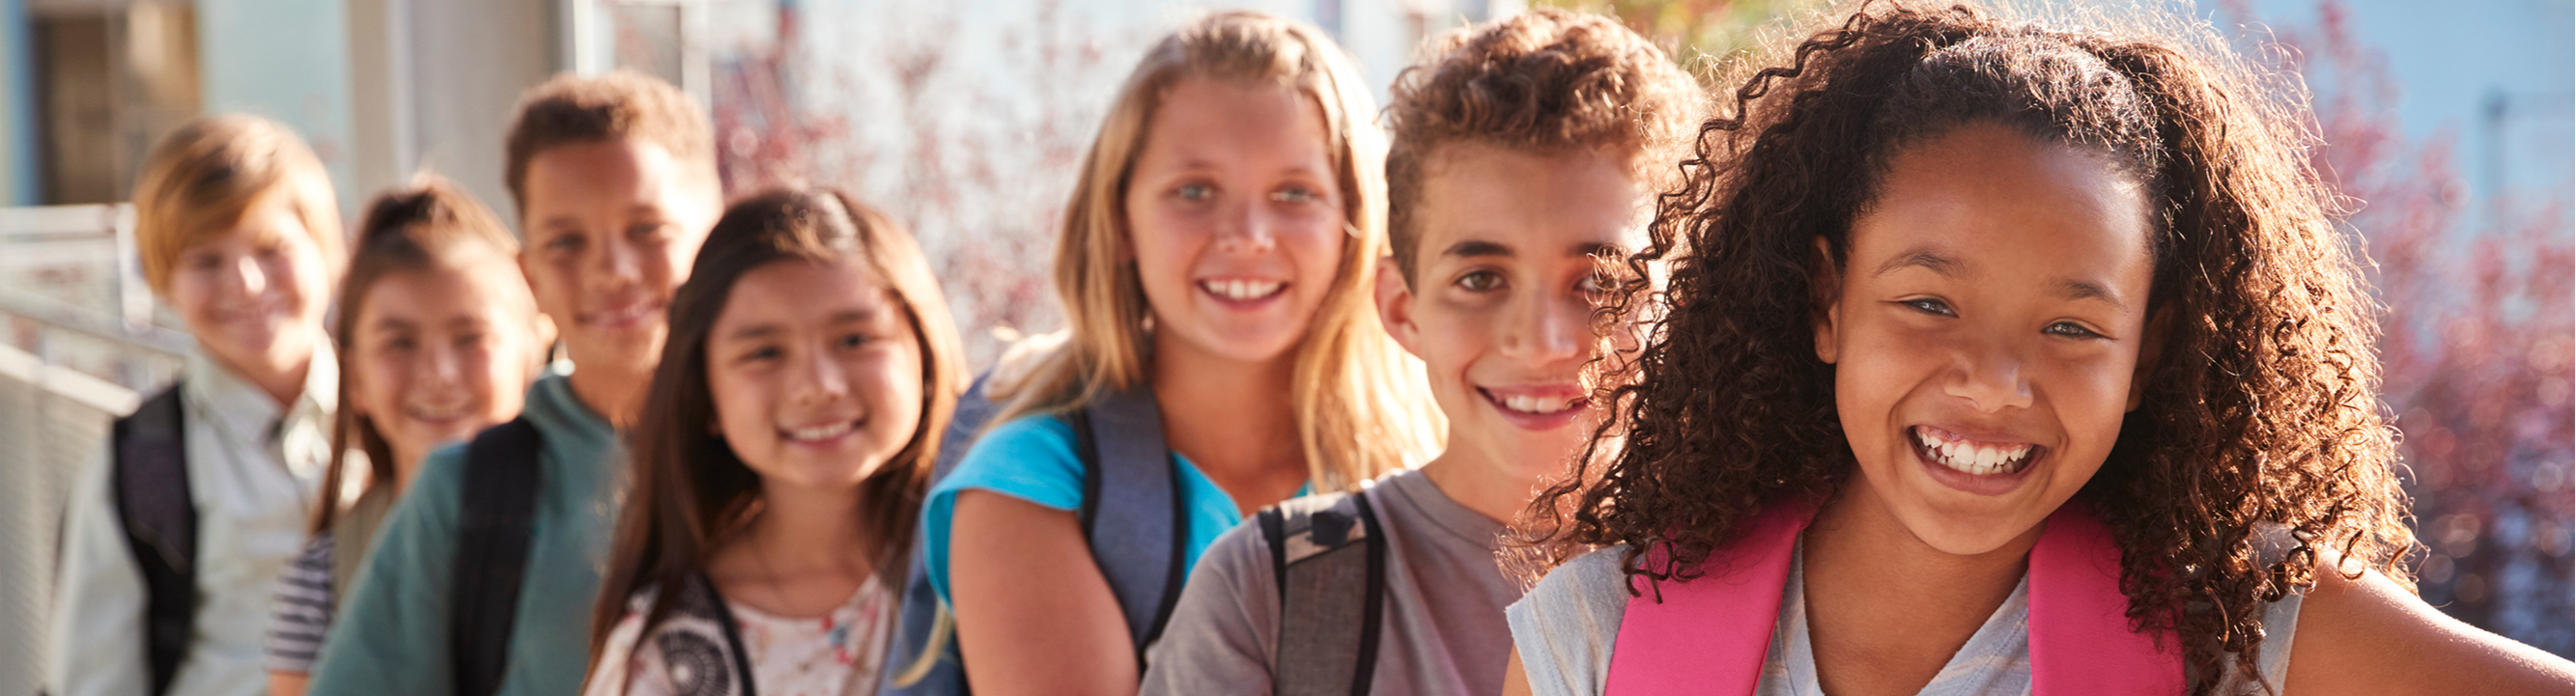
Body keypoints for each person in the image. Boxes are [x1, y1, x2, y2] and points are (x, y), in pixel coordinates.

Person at [1500, 2, 2576, 695]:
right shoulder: (1596, 642)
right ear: (1827, 299)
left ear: (2148, 355)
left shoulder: (2248, 633)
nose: (1994, 382)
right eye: (1928, 302)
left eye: (2071, 327)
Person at [1139, 10, 1703, 696]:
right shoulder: (1272, 593)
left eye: (1598, 282)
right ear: (1401, 307)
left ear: (1683, 295)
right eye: (1479, 280)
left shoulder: (1766, 578)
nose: (1542, 340)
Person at [882, 11, 1441, 696]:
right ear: (1119, 221)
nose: (1247, 234)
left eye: (1294, 193)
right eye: (1193, 191)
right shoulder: (1028, 483)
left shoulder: (1418, 457)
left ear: (1355, 227)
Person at [304, 71, 724, 696]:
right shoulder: (468, 492)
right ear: (528, 278)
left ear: (716, 240)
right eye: (566, 241)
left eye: (646, 229)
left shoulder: (795, 451)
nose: (611, 268)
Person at [579, 187, 969, 696]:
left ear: (924, 350)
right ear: (706, 395)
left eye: (855, 339)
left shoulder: (984, 557)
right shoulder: (665, 653)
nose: (818, 386)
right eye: (765, 353)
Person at [45, 114, 346, 696]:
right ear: (163, 281)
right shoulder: (142, 461)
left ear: (327, 249)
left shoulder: (400, 412)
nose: (248, 284)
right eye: (206, 261)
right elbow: (94, 678)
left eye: (272, 248)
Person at [263, 175, 551, 696]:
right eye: (400, 342)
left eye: (471, 338)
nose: (439, 372)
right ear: (356, 380)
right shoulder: (324, 574)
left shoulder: (596, 526)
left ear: (533, 353)